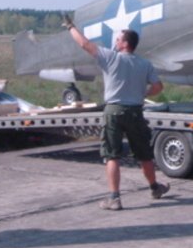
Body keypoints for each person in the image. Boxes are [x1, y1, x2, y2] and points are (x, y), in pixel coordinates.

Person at [64, 17, 169, 210]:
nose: (115, 42)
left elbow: (84, 44)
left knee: (112, 155)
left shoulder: (111, 57)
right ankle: (155, 188)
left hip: (113, 111)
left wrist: (71, 27)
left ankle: (114, 198)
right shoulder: (145, 64)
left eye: (118, 40)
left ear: (125, 44)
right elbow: (158, 87)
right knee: (144, 154)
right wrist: (144, 93)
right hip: (135, 111)